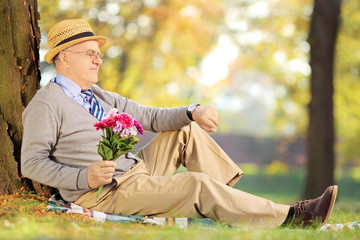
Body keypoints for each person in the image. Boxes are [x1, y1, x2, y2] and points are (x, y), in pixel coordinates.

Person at [21, 19, 338, 228]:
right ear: (63, 57)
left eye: (99, 54)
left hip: (136, 170)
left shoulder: (100, 96)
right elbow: (31, 163)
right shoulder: (46, 104)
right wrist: (83, 176)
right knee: (195, 184)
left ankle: (235, 207)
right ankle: (295, 219)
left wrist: (193, 110)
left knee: (185, 130)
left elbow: (151, 117)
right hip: (104, 191)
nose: (98, 60)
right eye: (90, 53)